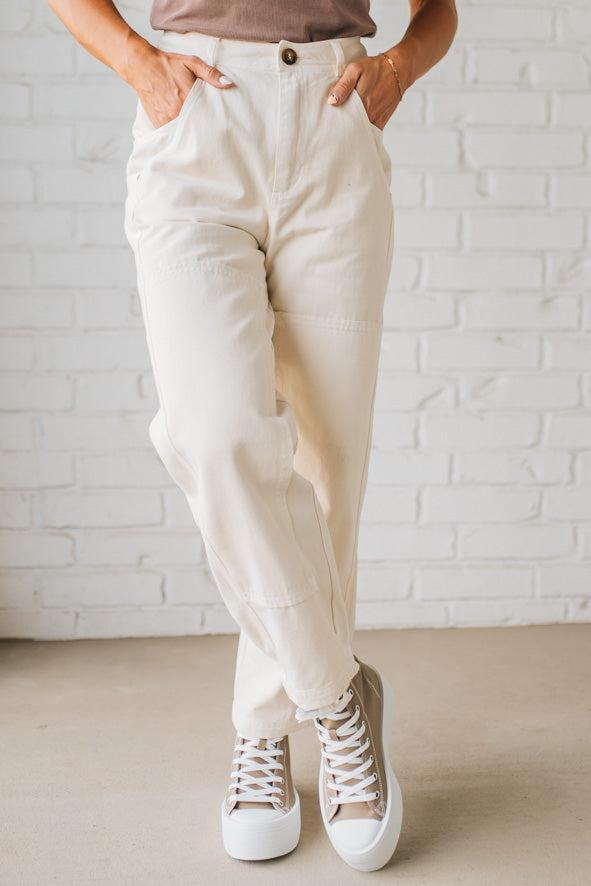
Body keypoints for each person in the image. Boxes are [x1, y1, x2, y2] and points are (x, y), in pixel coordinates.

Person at [47, 0, 457, 871]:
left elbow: (438, 11)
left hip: (333, 116)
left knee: (324, 471)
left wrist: (398, 68)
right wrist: (137, 62)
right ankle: (339, 695)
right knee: (215, 433)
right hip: (199, 123)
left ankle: (265, 731)